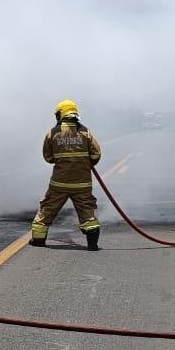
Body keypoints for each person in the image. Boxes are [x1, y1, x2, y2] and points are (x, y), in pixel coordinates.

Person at [31, 100, 102, 250]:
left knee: (47, 209)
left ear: (60, 114)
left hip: (59, 183)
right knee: (87, 211)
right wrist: (85, 163)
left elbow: (48, 157)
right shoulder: (85, 132)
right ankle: (92, 244)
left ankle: (38, 240)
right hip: (82, 183)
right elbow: (96, 155)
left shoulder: (53, 133)